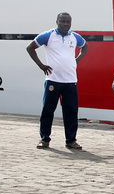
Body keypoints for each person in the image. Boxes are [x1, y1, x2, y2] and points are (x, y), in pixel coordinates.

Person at [27, 12, 88, 150]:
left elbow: (85, 46)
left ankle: (71, 140)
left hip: (70, 80)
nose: (65, 24)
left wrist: (77, 59)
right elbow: (30, 48)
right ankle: (44, 139)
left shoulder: (75, 37)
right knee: (48, 110)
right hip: (53, 80)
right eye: (63, 21)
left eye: (68, 22)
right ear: (57, 21)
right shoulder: (48, 36)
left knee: (71, 111)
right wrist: (41, 65)